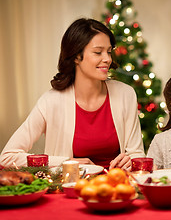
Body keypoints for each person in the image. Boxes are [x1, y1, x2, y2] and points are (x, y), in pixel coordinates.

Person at [0, 18, 145, 169]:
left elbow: (137, 154)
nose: (107, 59)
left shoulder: (125, 94)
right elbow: (7, 157)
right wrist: (66, 162)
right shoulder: (51, 101)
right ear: (76, 56)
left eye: (109, 52)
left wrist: (131, 160)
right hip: (69, 189)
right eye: (98, 52)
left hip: (115, 187)